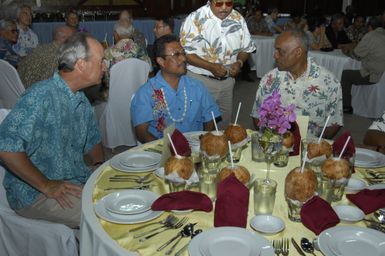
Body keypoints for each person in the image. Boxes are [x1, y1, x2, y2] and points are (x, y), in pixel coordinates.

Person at [0, 33, 105, 228]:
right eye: (101, 61)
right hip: (34, 193)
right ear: (81, 64)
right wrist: (46, 185)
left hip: (72, 180)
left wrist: (99, 166)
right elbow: (5, 146)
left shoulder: (81, 99)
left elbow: (93, 142)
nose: (105, 67)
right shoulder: (41, 96)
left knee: (122, 197)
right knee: (105, 215)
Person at [251, 29, 343, 139]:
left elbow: (334, 123)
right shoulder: (270, 79)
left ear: (298, 52)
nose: (275, 55)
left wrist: (314, 144)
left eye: (280, 51)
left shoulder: (329, 83)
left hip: (309, 148)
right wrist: (272, 140)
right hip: (275, 143)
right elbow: (257, 116)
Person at [131, 35, 221, 143]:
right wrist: (168, 151)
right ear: (161, 61)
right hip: (162, 151)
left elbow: (210, 117)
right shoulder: (145, 93)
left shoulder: (197, 86)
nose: (183, 58)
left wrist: (204, 142)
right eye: (176, 55)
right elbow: (142, 134)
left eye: (183, 53)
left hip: (195, 148)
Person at [180, 0, 255, 129]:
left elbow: (246, 48)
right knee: (198, 124)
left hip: (227, 81)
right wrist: (210, 66)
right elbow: (185, 53)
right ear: (210, 2)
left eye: (229, 3)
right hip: (200, 80)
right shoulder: (195, 18)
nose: (224, 8)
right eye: (219, 4)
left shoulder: (238, 18)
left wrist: (239, 62)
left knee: (224, 123)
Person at [340, 16, 385, 113]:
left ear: (369, 27)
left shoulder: (370, 36)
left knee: (346, 75)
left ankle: (346, 106)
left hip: (374, 74)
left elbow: (356, 55)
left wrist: (346, 52)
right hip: (382, 72)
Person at [104, 19, 151, 84]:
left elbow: (104, 72)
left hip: (115, 88)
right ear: (132, 34)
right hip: (138, 87)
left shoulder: (108, 52)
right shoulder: (140, 50)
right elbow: (148, 69)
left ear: (115, 34)